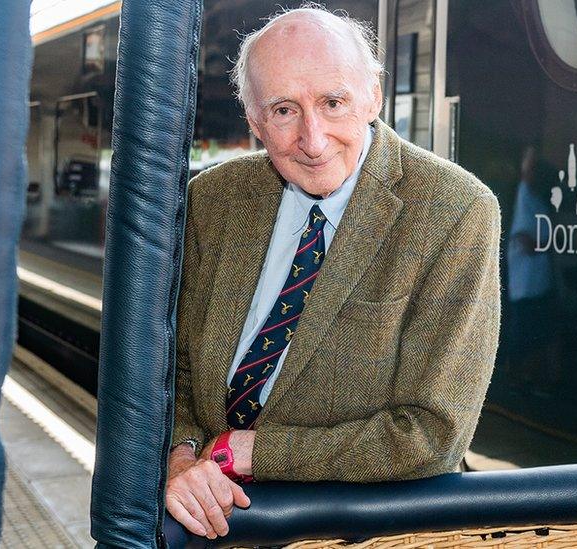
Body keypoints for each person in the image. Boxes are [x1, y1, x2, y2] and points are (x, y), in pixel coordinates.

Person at [163, 5, 501, 543]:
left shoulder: (453, 210)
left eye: (333, 103)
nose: (313, 140)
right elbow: (170, 366)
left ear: (373, 96)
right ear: (254, 121)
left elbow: (432, 434)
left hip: (365, 533)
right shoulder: (213, 200)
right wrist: (180, 457)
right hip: (210, 526)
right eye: (283, 111)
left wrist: (248, 452)